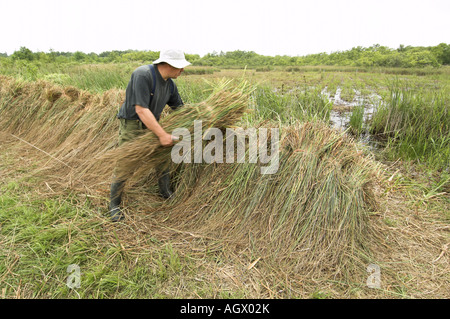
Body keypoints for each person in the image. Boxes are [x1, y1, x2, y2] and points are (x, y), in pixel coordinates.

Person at [109, 49, 191, 222]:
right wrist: (162, 135)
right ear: (169, 64)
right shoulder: (143, 75)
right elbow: (141, 109)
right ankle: (114, 205)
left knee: (162, 158)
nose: (182, 70)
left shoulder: (169, 84)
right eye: (180, 66)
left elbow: (179, 108)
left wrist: (198, 119)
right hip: (133, 124)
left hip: (152, 124)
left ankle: (165, 192)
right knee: (127, 161)